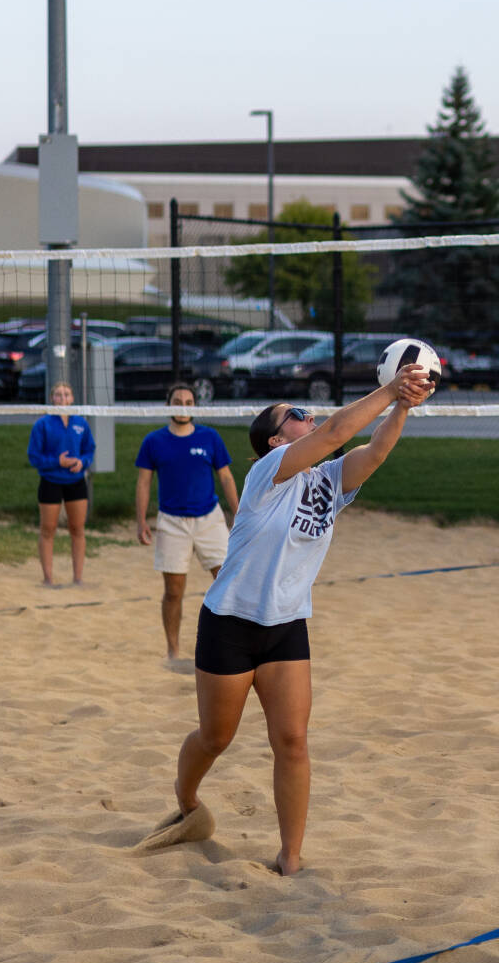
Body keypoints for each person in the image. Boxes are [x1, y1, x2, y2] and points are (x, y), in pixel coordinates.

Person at [135, 363, 436, 874]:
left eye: (309, 411)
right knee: (216, 738)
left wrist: (403, 404)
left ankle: (290, 856)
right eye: (298, 414)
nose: (310, 416)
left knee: (292, 740)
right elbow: (340, 431)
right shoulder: (265, 476)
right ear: (276, 440)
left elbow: (375, 450)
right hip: (230, 623)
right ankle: (187, 801)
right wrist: (388, 388)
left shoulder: (329, 479)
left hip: (286, 627)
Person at [135, 383, 239, 666]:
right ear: (169, 405)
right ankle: (173, 652)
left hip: (209, 518)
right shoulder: (154, 441)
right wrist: (142, 520)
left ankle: (231, 647)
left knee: (226, 584)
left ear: (195, 406)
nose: (183, 405)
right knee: (173, 591)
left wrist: (240, 514)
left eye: (189, 401)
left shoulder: (210, 437)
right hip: (171, 522)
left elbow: (226, 478)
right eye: (178, 400)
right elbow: (144, 482)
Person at [28, 380, 95, 586]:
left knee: (77, 529)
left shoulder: (80, 423)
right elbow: (34, 457)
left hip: (75, 482)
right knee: (48, 529)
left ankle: (78, 578)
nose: (62, 398)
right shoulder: (43, 424)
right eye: (58, 394)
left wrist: (82, 462)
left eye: (66, 394)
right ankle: (48, 578)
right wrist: (57, 461)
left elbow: (89, 450)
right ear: (52, 399)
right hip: (50, 481)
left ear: (72, 398)